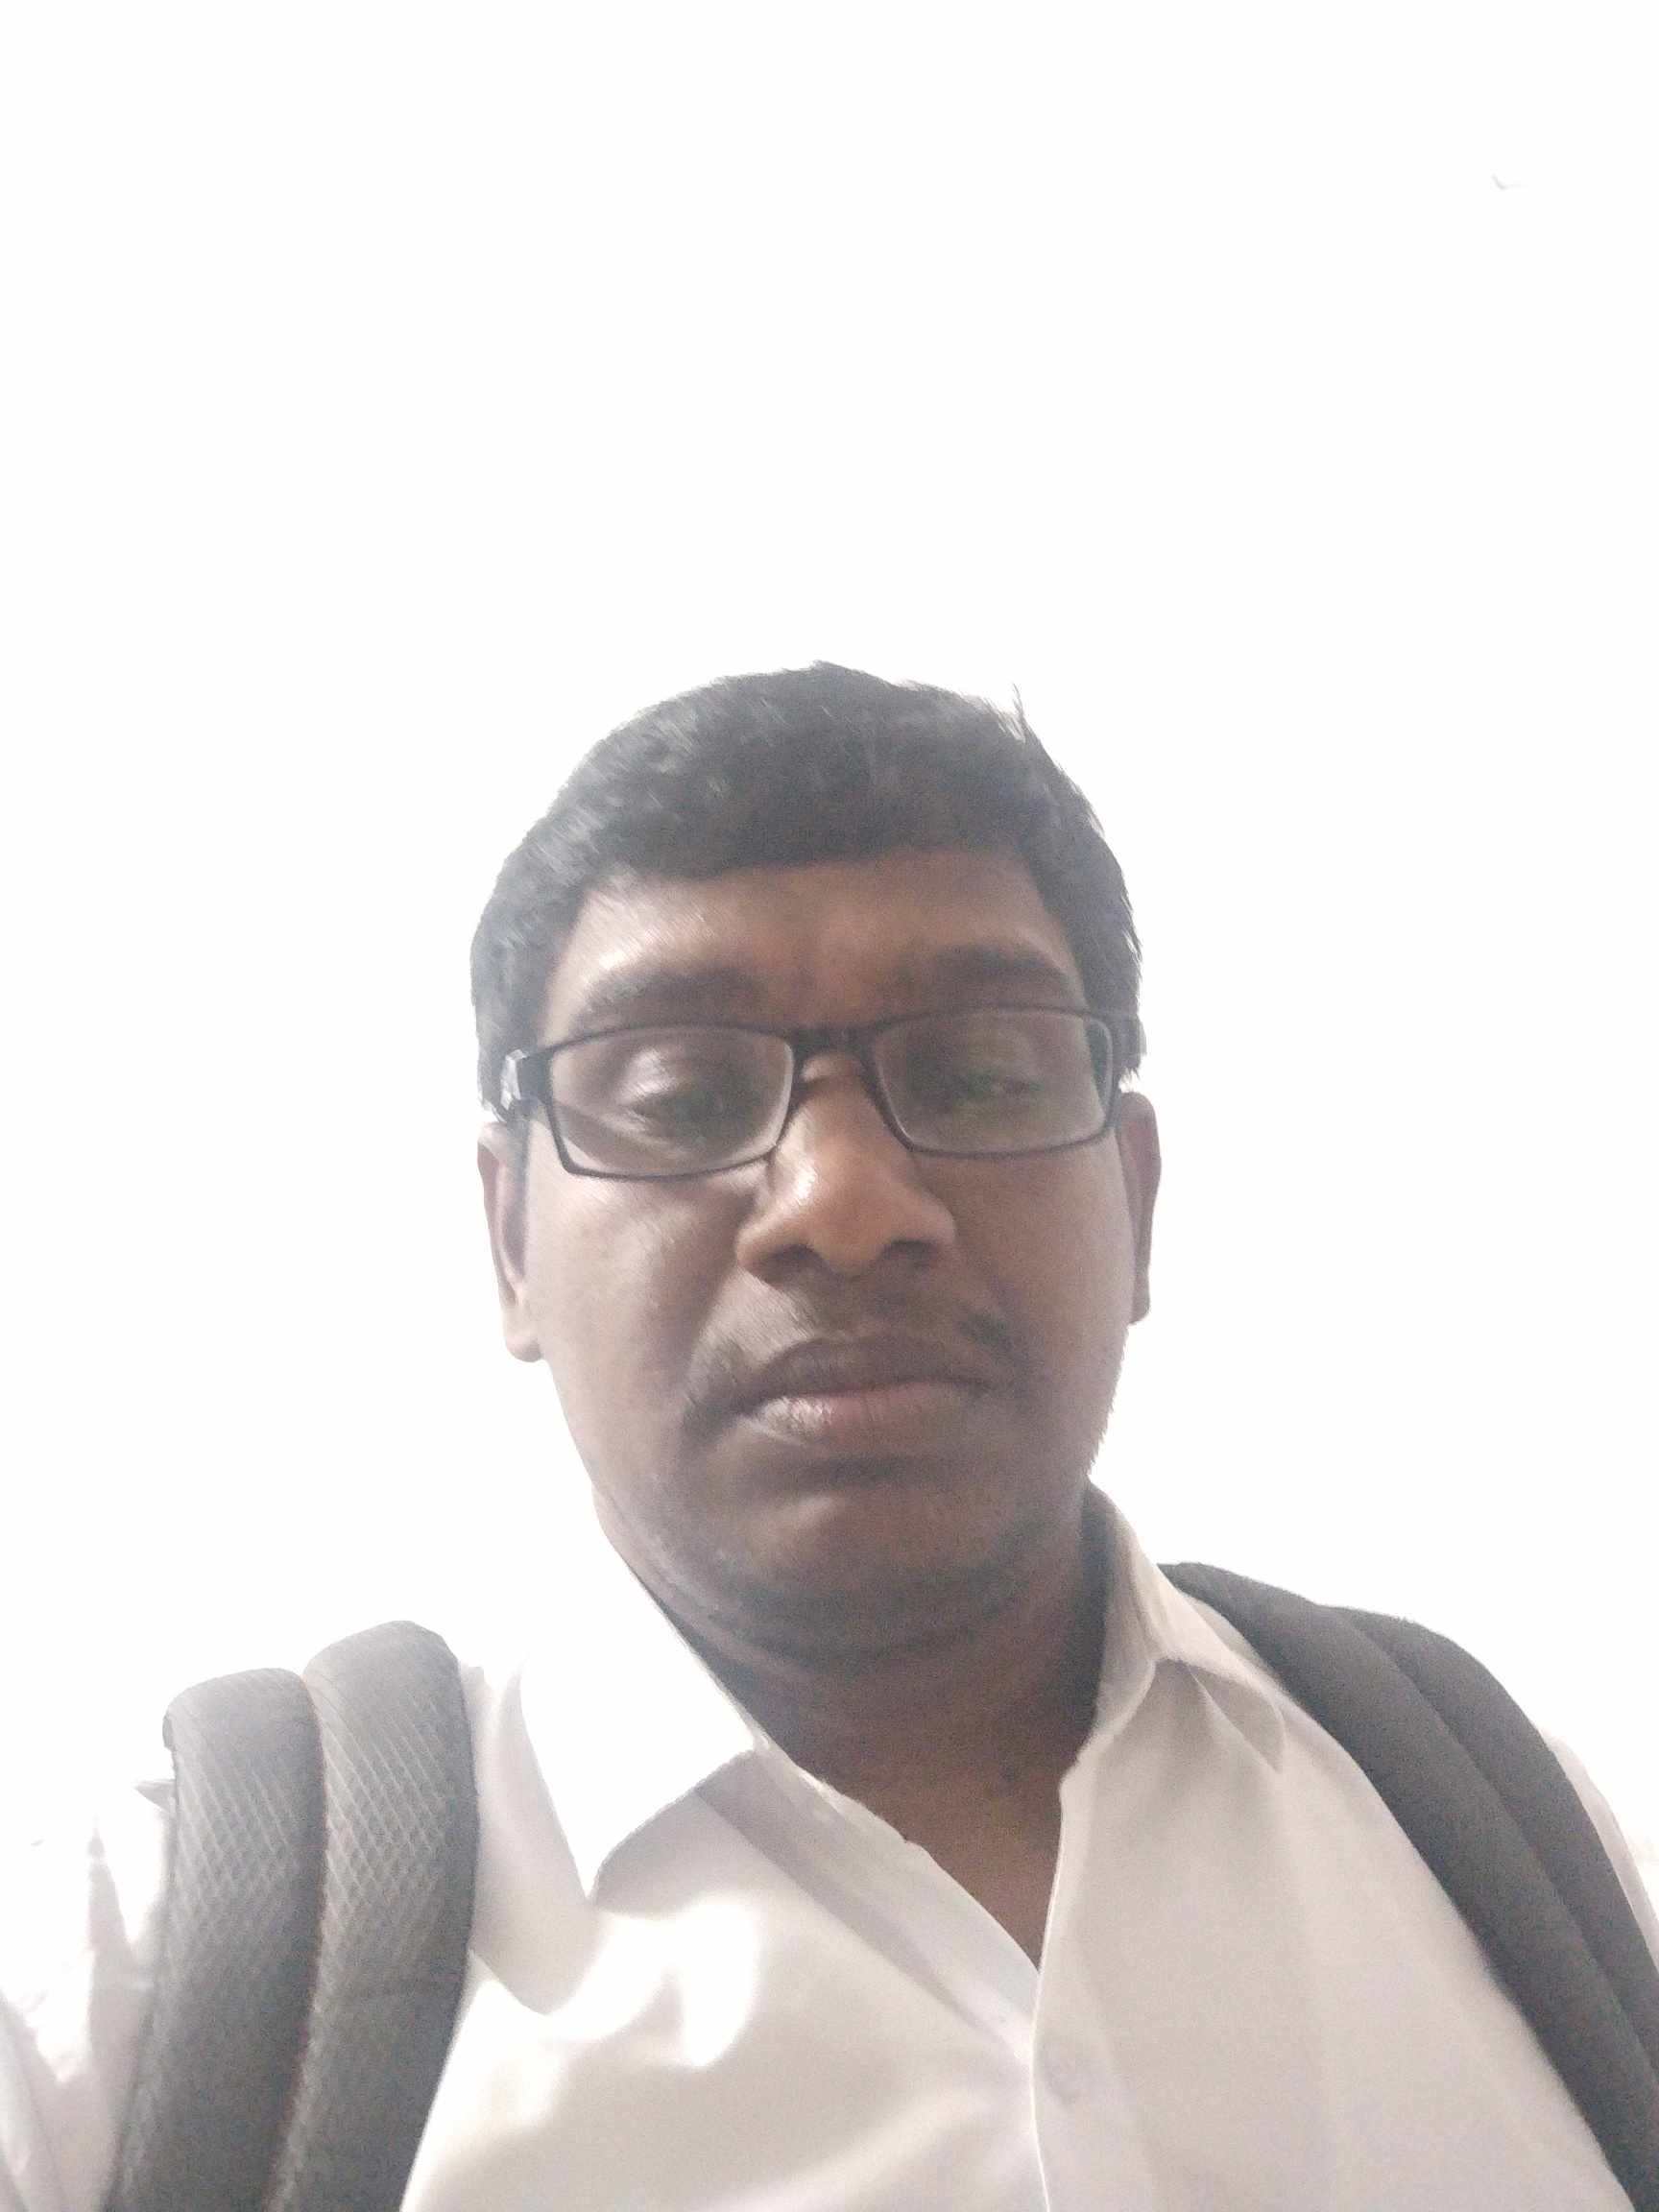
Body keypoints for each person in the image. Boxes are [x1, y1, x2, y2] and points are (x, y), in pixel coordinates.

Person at [4, 661, 1655, 2210]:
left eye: (986, 1075)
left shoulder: (1498, 1829)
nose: (844, 1205)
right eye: (679, 1097)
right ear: (510, 1242)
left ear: (1138, 1201)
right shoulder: (137, 1967)